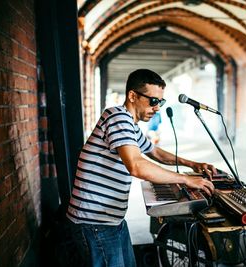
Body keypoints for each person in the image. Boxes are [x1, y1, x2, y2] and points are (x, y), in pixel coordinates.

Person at [66, 69, 216, 267]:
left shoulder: (131, 125)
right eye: (153, 101)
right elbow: (137, 166)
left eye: (160, 102)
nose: (157, 108)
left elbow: (155, 153)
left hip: (111, 220)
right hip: (94, 222)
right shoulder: (117, 117)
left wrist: (192, 164)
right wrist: (186, 179)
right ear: (132, 96)